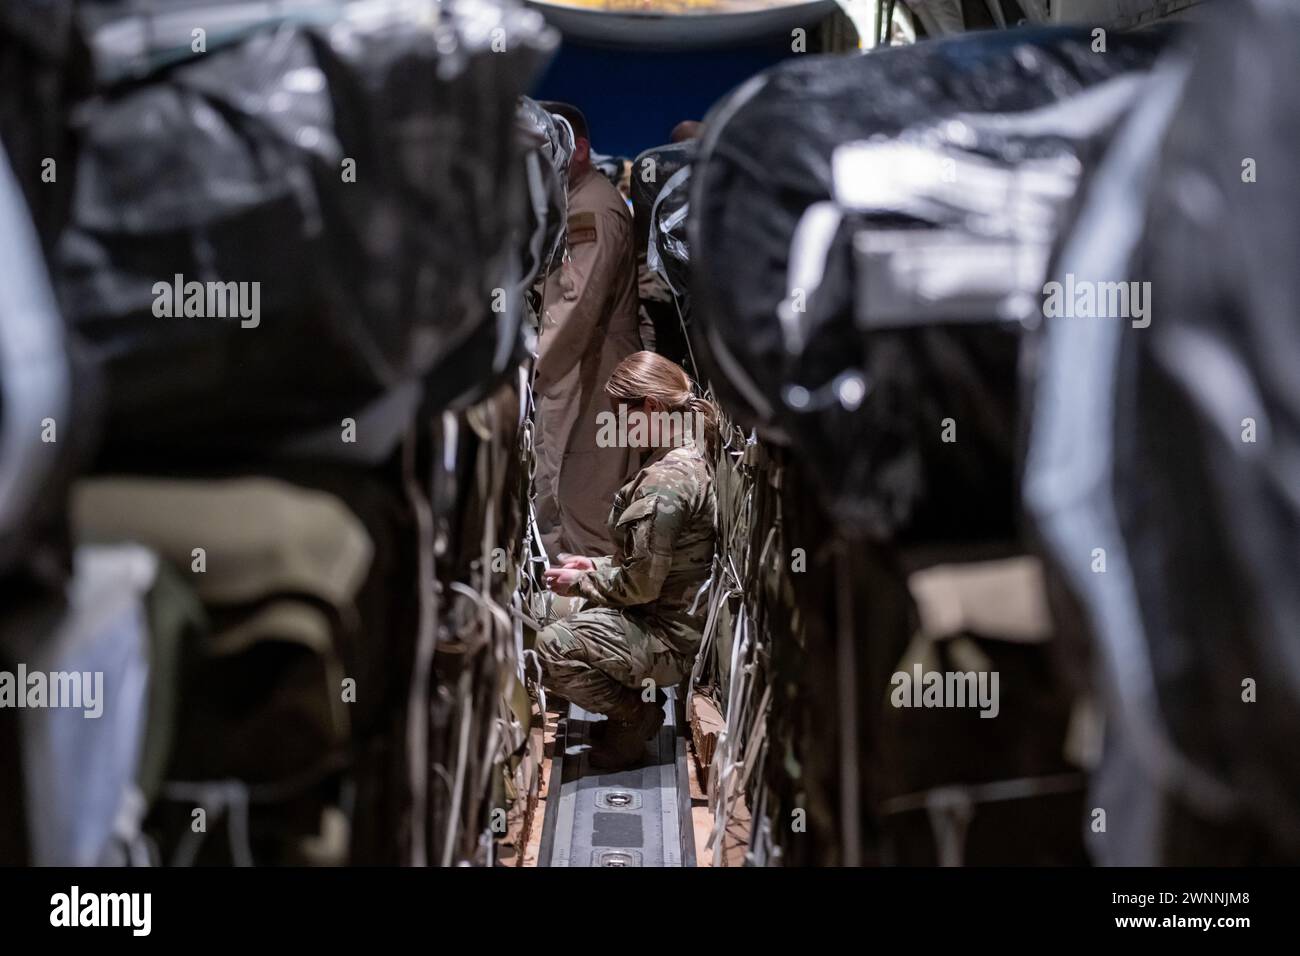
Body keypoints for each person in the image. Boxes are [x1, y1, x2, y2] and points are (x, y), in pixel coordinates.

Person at [535, 352, 718, 769]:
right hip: (658, 615)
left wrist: (581, 584)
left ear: (651, 408)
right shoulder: (680, 452)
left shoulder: (666, 483)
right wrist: (594, 567)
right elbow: (650, 567)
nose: (620, 425)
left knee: (551, 647)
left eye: (623, 413)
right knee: (540, 611)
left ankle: (636, 717)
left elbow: (640, 587)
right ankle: (626, 704)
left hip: (666, 638)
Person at [533, 102, 643, 560]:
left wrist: (530, 367)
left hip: (593, 371)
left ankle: (589, 625)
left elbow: (575, 305)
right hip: (583, 363)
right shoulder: (573, 199)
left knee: (585, 500)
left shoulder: (592, 208)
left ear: (577, 149)